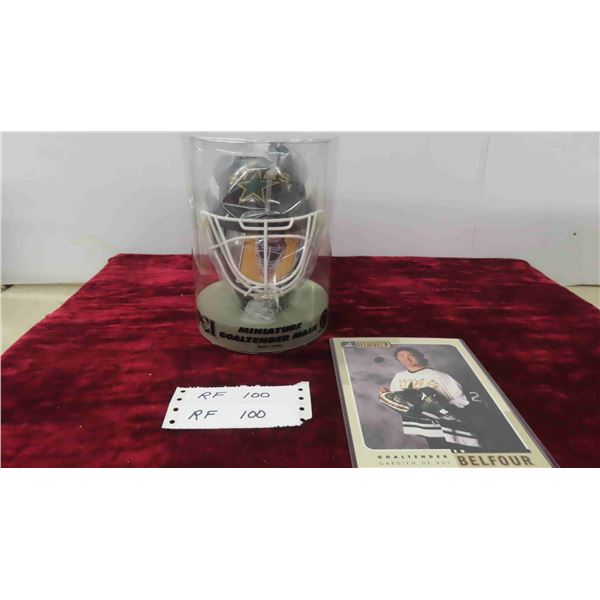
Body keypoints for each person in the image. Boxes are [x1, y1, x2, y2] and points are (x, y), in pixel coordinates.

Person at [379, 347, 470, 408]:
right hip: (414, 423)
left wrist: (442, 406)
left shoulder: (438, 376)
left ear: (420, 356)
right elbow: (399, 402)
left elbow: (463, 400)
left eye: (411, 355)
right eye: (401, 356)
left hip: (442, 424)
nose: (406, 359)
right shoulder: (399, 376)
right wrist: (388, 395)